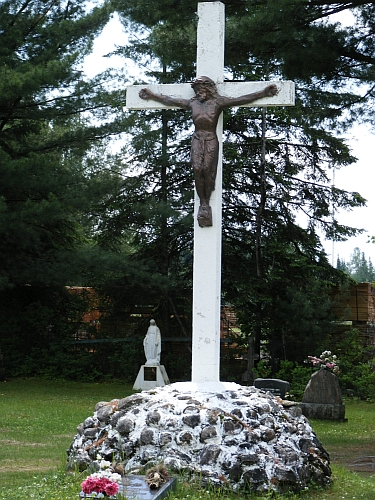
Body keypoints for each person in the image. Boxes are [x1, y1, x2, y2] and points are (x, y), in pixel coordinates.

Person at [139, 76, 278, 226]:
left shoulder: (218, 102)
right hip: (197, 139)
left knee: (207, 168)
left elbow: (242, 99)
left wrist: (263, 93)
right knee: (197, 169)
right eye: (196, 90)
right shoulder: (192, 103)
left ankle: (206, 200)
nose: (198, 92)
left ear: (208, 89)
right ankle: (204, 204)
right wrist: (152, 95)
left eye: (201, 89)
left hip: (210, 138)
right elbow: (170, 100)